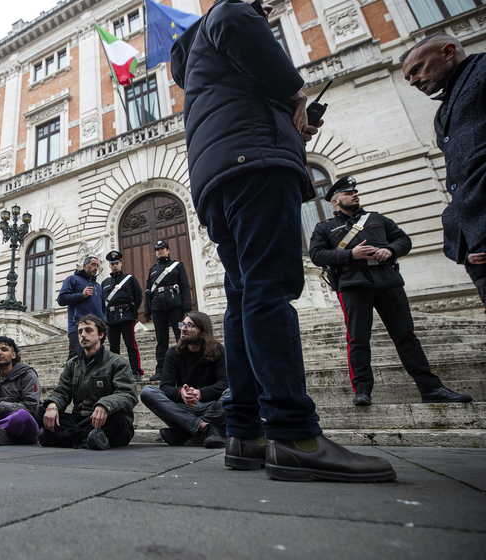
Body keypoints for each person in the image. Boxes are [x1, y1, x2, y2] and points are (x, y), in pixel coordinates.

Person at [170, 0, 396, 481]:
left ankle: (244, 432)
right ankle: (294, 434)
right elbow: (235, 19)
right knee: (269, 292)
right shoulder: (230, 13)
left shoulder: (197, 62)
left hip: (219, 177)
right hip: (256, 162)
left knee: (243, 298)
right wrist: (294, 96)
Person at [308, 177, 472, 406]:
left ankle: (431, 389)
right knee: (358, 339)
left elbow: (403, 240)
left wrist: (390, 250)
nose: (354, 195)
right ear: (335, 201)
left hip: (387, 281)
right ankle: (363, 391)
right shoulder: (324, 227)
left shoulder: (377, 219)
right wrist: (350, 255)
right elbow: (316, 255)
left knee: (406, 336)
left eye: (355, 192)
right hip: (353, 284)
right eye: (348, 193)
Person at [400, 34, 486, 310]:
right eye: (408, 77)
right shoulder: (442, 113)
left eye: (417, 69)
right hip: (477, 246)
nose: (413, 81)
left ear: (448, 52)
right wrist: (463, 248)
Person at [38, 315, 137, 450]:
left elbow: (128, 394)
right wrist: (52, 406)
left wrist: (105, 405)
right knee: (41, 412)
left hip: (107, 421)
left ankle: (62, 437)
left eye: (88, 330)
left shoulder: (118, 362)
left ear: (101, 334)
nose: (83, 335)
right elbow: (61, 392)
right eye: (80, 332)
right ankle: (89, 438)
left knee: (118, 418)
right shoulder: (72, 365)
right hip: (82, 420)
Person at [140, 312, 229, 448]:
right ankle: (207, 428)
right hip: (183, 408)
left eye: (189, 325)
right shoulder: (173, 353)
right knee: (147, 391)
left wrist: (200, 393)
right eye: (182, 324)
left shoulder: (217, 350)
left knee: (233, 392)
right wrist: (181, 392)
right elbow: (165, 387)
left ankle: (185, 431)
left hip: (211, 407)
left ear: (203, 333)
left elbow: (225, 383)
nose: (183, 328)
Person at [144, 240, 192, 382]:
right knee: (161, 340)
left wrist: (187, 306)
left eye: (163, 248)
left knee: (181, 336)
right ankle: (161, 370)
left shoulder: (178, 266)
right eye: (158, 249)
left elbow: (184, 286)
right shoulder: (152, 270)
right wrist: (148, 310)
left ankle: (185, 365)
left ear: (168, 250)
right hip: (158, 308)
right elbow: (148, 291)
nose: (160, 251)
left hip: (175, 306)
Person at [101, 251, 143, 381]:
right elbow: (102, 301)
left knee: (131, 345)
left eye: (116, 263)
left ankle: (136, 371)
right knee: (113, 347)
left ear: (121, 263)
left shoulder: (130, 280)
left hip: (126, 316)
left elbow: (138, 296)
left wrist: (133, 311)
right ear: (109, 265)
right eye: (112, 264)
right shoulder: (105, 283)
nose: (114, 266)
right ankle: (115, 373)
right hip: (111, 319)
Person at [57, 256, 105, 361]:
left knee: (96, 358)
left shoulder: (98, 286)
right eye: (93, 265)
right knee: (76, 357)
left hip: (96, 328)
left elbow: (103, 308)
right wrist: (82, 295)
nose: (96, 268)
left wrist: (104, 323)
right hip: (77, 326)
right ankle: (70, 378)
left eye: (97, 265)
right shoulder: (72, 279)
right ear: (85, 265)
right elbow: (61, 299)